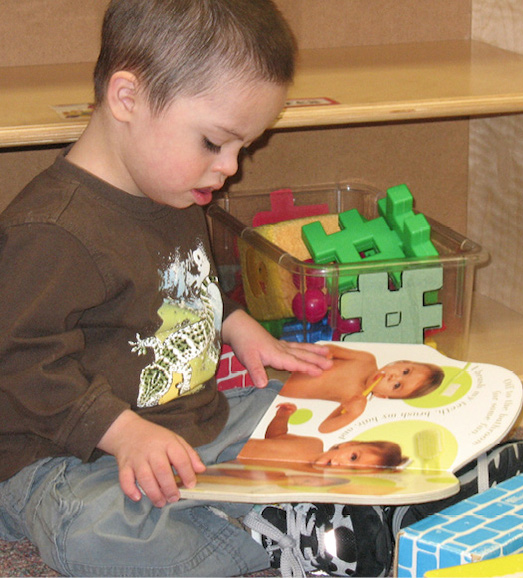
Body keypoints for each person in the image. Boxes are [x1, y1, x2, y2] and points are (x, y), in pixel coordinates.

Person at [0, 1, 333, 576]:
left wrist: (237, 324)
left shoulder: (174, 188)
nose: (230, 168)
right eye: (213, 142)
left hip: (191, 419)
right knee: (91, 534)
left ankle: (295, 506)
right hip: (71, 456)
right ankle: (291, 535)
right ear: (127, 98)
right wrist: (124, 432)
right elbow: (20, 362)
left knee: (316, 410)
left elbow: (182, 285)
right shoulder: (51, 231)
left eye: (242, 148)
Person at [281, 342, 445, 432]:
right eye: (405, 371)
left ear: (382, 396)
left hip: (279, 393)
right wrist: (327, 353)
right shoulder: (365, 359)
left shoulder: (354, 398)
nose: (394, 377)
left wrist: (352, 414)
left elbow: (324, 428)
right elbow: (332, 349)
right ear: (402, 362)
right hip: (285, 366)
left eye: (397, 385)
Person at [238, 402, 407, 472]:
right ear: (348, 444)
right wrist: (282, 416)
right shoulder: (312, 444)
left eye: (352, 471)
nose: (342, 466)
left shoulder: (308, 479)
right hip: (236, 440)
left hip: (233, 473)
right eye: (353, 458)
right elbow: (276, 436)